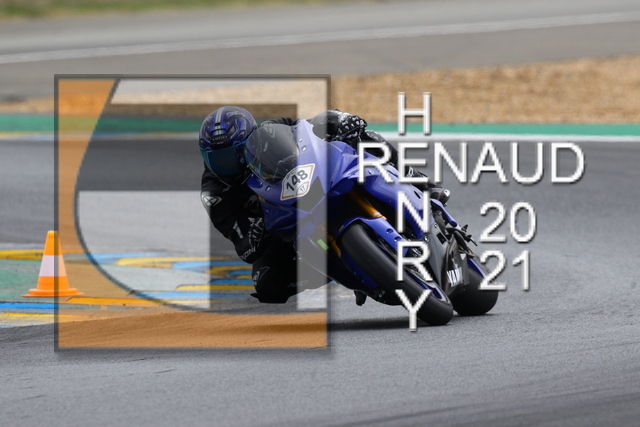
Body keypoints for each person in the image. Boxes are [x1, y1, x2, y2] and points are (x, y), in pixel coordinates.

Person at [199, 106, 450, 304]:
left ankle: (419, 181)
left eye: (232, 156)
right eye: (217, 160)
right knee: (267, 284)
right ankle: (346, 270)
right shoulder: (215, 193)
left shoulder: (271, 132)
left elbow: (309, 127)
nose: (227, 166)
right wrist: (253, 238)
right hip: (281, 224)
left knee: (364, 136)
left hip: (314, 182)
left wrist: (340, 120)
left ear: (250, 141)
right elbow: (243, 246)